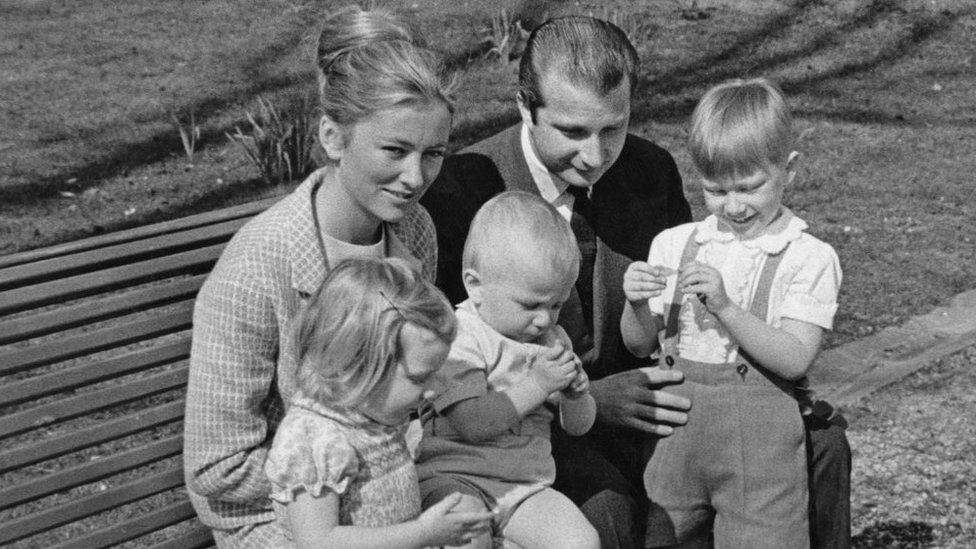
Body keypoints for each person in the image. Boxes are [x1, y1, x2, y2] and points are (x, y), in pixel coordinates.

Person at [420, 15, 851, 549]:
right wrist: (589, 396)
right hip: (528, 426)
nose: (595, 156)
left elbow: (681, 305)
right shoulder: (463, 188)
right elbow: (445, 358)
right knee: (609, 514)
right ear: (524, 107)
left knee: (823, 445)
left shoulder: (649, 168)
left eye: (613, 128)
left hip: (654, 402)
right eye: (573, 132)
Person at [183, 6, 457, 546]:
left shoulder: (414, 231)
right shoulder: (259, 267)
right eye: (395, 151)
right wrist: (352, 469)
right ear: (333, 137)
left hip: (393, 499)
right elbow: (217, 464)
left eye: (434, 154)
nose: (416, 177)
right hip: (281, 521)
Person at [620, 77, 842, 548]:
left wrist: (724, 307)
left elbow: (795, 358)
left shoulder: (806, 256)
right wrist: (636, 302)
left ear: (790, 169)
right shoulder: (675, 244)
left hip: (761, 464)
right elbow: (640, 344)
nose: (733, 206)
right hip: (673, 449)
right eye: (715, 191)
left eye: (749, 187)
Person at [263, 258, 493, 548]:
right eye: (421, 378)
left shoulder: (372, 413)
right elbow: (319, 541)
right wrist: (422, 533)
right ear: (357, 365)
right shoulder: (313, 440)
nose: (434, 390)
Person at [416, 191, 600, 549]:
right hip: (453, 476)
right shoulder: (459, 335)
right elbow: (472, 422)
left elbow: (578, 427)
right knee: (469, 540)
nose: (544, 318)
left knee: (580, 542)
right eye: (530, 304)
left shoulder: (553, 339)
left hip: (525, 487)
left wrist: (577, 394)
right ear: (475, 285)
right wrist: (538, 384)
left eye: (557, 303)